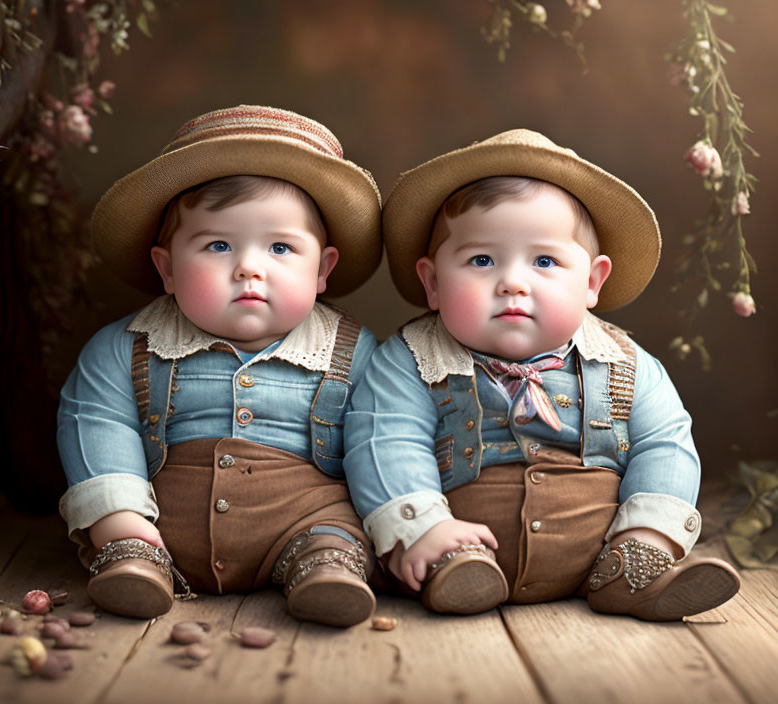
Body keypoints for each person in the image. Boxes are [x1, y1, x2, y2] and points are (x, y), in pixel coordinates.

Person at [344, 129, 740, 620]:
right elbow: (384, 439)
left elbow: (666, 442)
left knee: (641, 543)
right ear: (433, 282)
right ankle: (454, 571)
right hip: (460, 542)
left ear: (592, 282)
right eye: (482, 260)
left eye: (545, 261)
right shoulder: (410, 359)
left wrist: (649, 530)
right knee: (423, 551)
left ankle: (632, 574)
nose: (513, 281)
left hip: (597, 550)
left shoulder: (624, 363)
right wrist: (423, 526)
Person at [57, 105, 382, 626]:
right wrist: (121, 519)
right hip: (162, 526)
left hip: (306, 520)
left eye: (280, 247)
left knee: (335, 531)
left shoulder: (353, 349)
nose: (249, 267)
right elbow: (94, 424)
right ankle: (136, 557)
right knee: (125, 530)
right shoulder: (129, 346)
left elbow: (378, 439)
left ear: (322, 270)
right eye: (218, 245)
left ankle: (328, 569)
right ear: (167, 267)